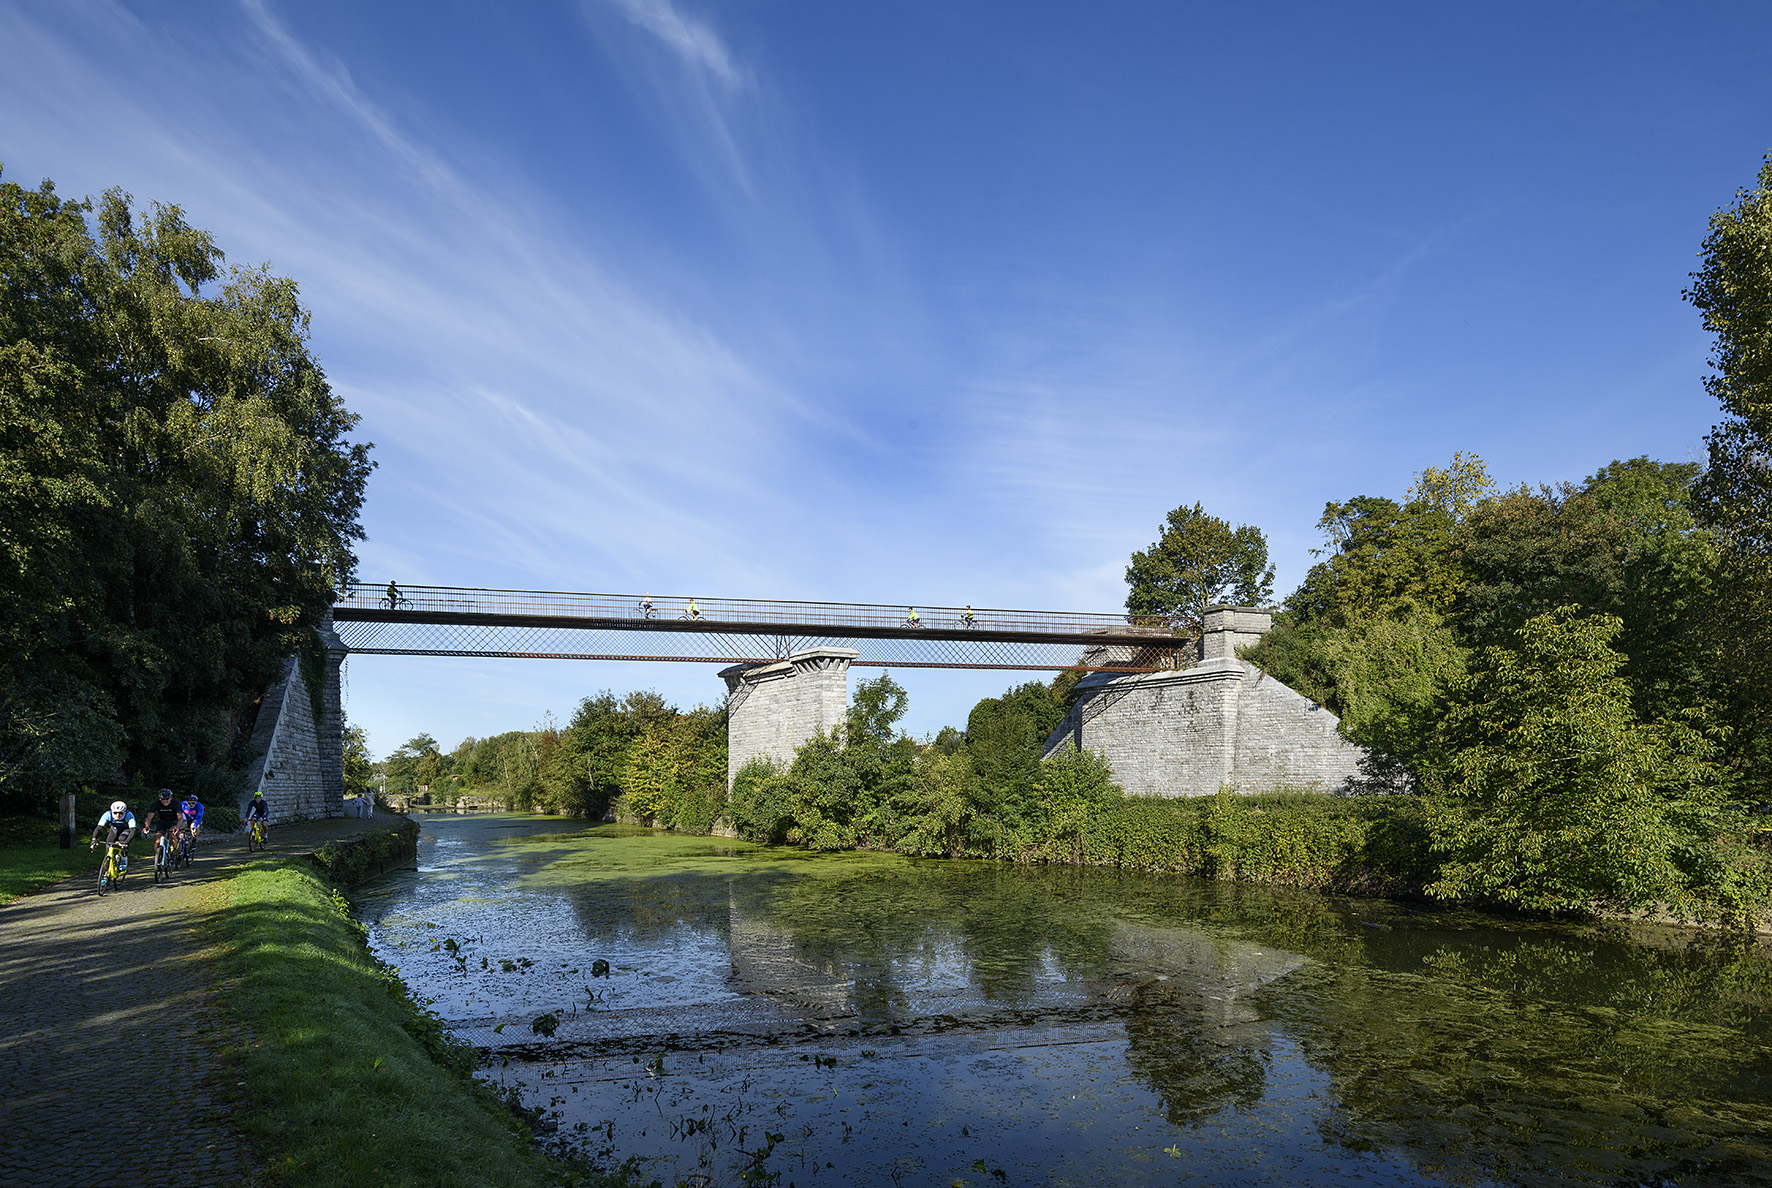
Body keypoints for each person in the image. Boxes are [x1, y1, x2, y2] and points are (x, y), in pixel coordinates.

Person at [89, 801, 136, 876]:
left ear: (124, 812)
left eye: (120, 813)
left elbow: (133, 830)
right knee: (108, 847)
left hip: (125, 830)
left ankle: (124, 859)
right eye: (115, 813)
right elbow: (99, 828)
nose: (117, 815)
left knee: (122, 839)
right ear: (112, 811)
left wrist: (126, 842)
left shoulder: (129, 815)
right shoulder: (107, 814)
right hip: (114, 830)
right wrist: (94, 839)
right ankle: (105, 873)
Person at [143, 788, 180, 865]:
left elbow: (180, 818)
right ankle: (158, 857)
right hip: (162, 822)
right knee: (157, 839)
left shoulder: (176, 803)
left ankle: (173, 852)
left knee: (172, 834)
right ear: (160, 798)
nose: (165, 801)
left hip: (174, 822)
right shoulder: (156, 804)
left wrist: (177, 827)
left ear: (171, 798)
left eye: (167, 799)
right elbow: (149, 817)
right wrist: (147, 826)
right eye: (163, 799)